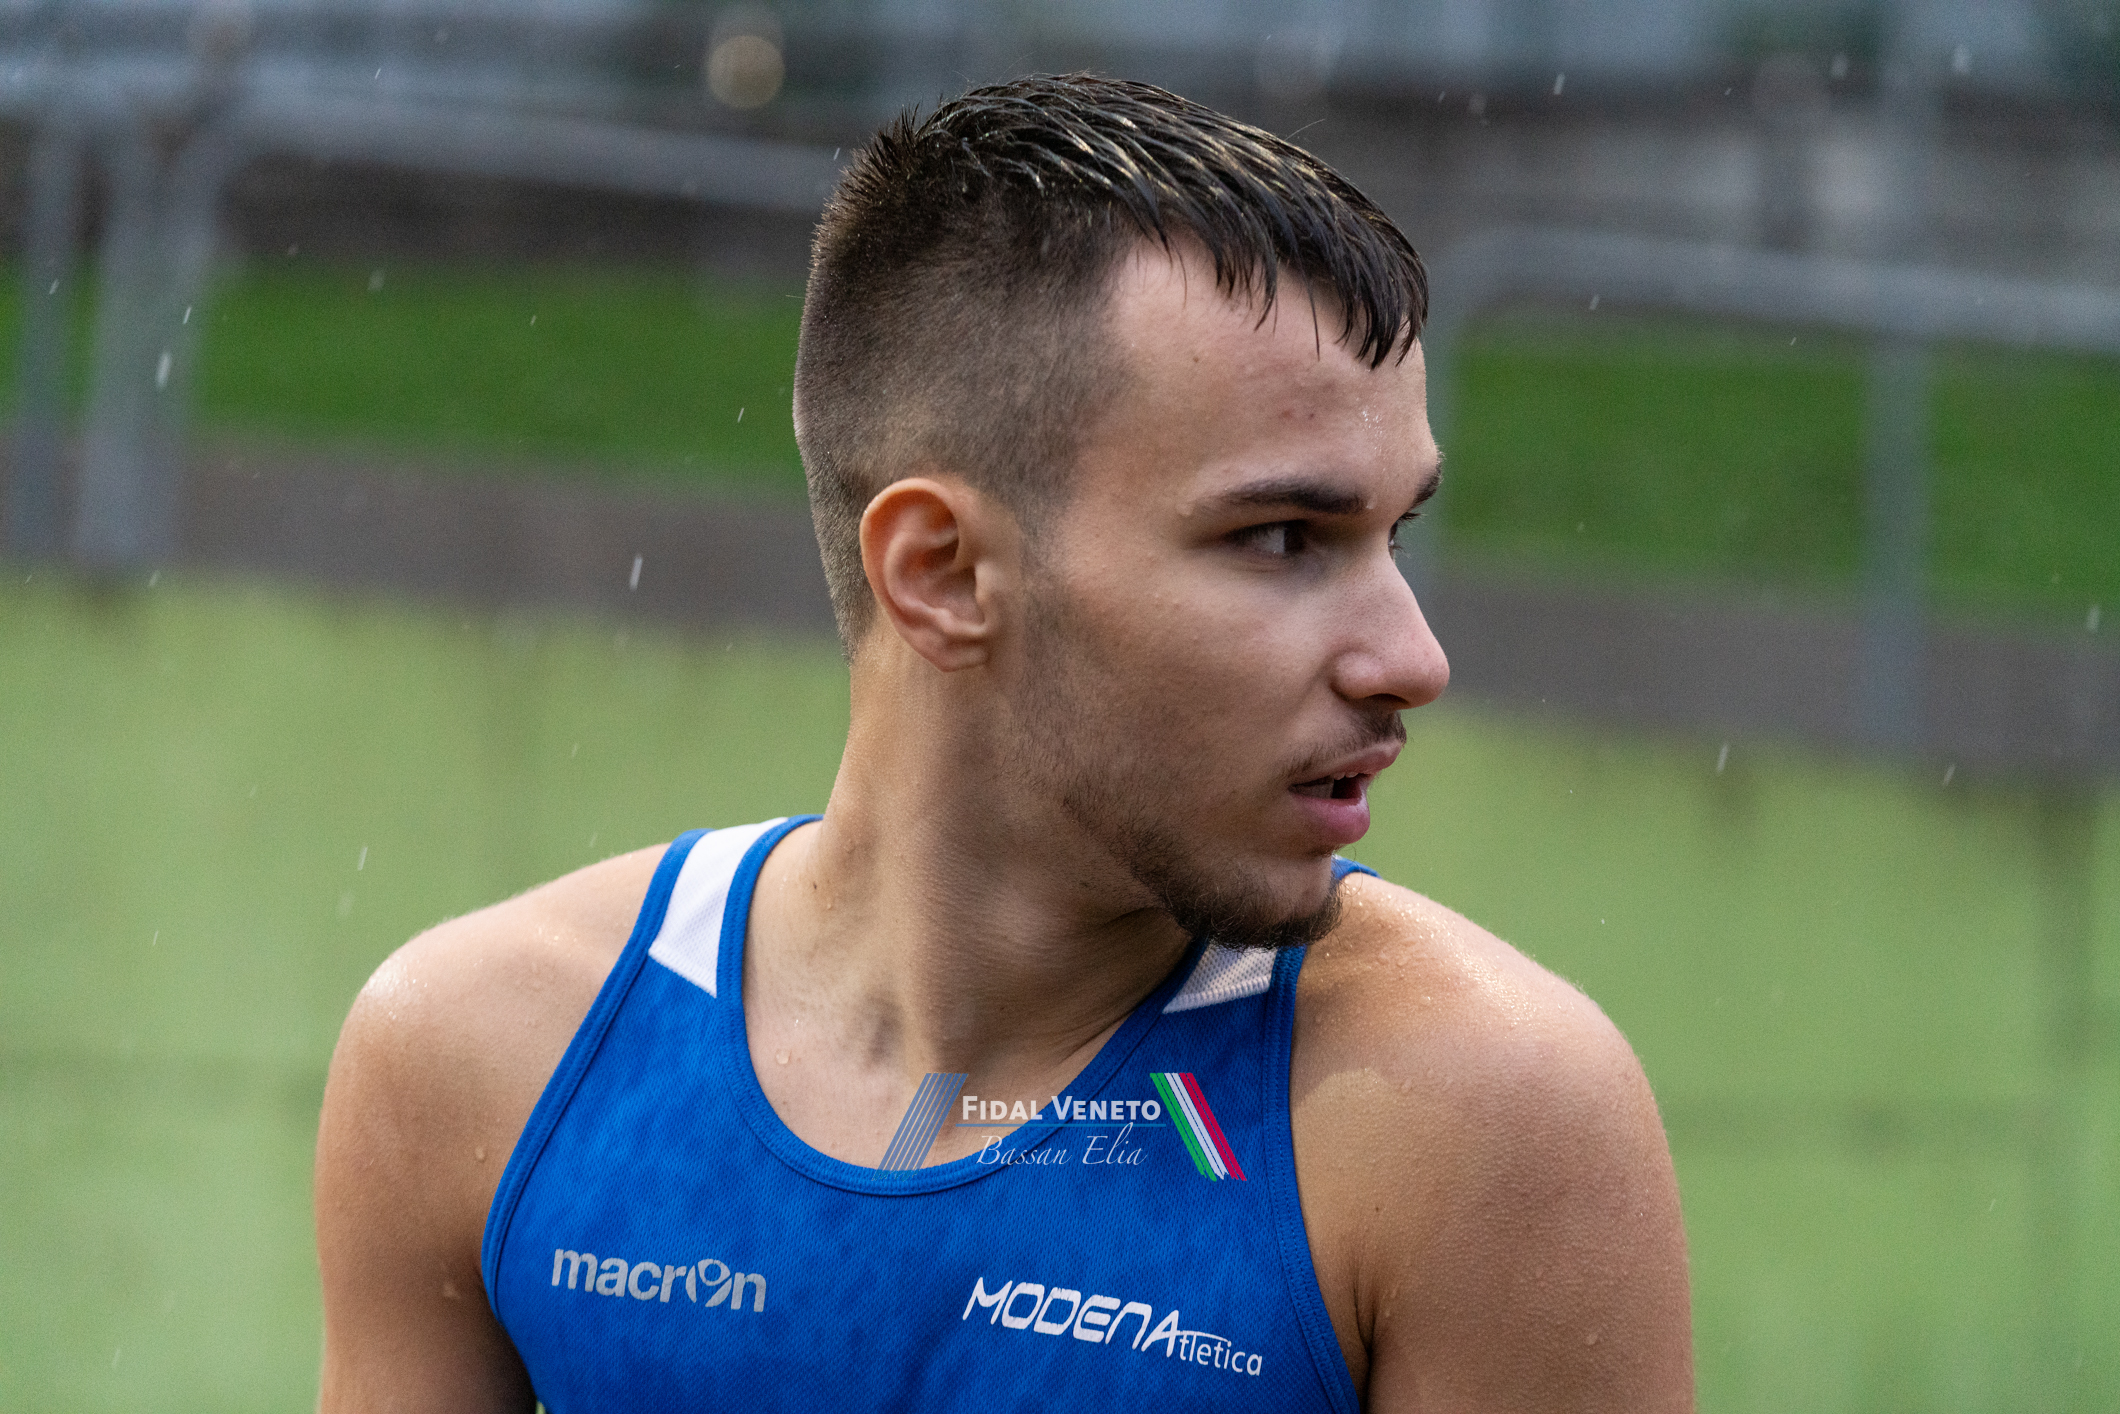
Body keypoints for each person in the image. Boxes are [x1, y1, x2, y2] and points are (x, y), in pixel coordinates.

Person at [314, 74, 1692, 1412]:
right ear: (944, 573)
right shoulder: (485, 1053)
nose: (1413, 660)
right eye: (1282, 538)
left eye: (1395, 533)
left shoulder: (1483, 1120)